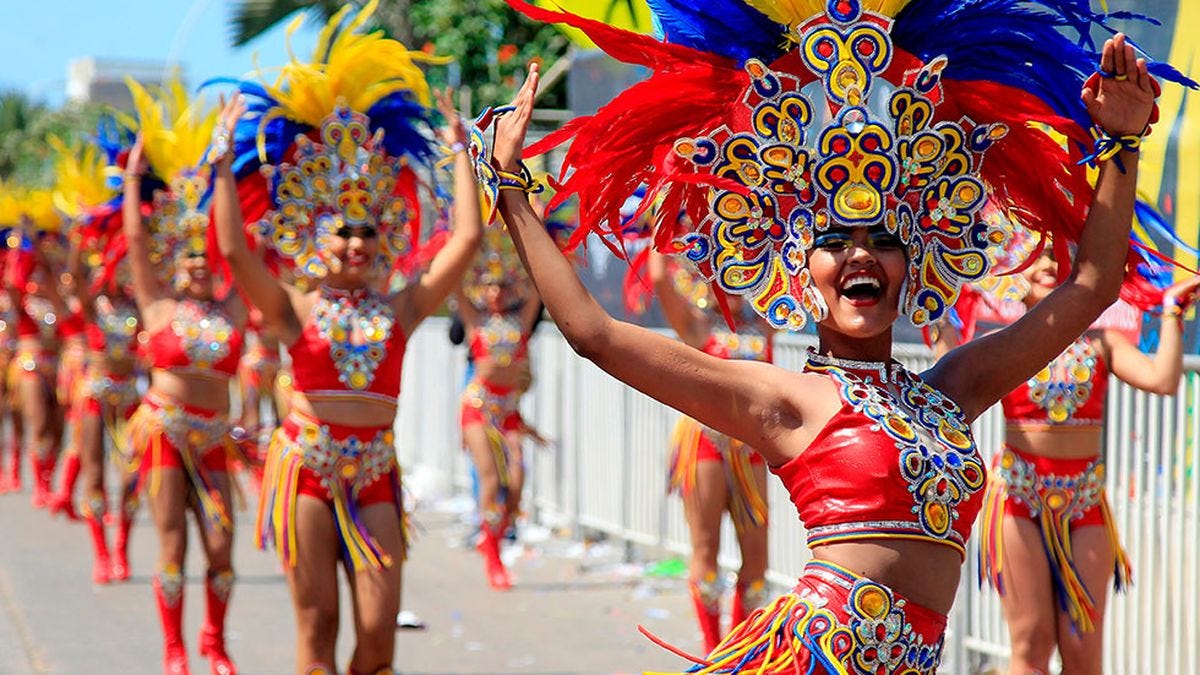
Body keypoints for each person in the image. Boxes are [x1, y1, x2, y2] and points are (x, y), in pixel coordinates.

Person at [472, 0, 1187, 669]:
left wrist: (1121, 143)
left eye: (881, 236)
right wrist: (509, 189)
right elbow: (594, 333)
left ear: (914, 258)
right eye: (834, 239)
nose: (858, 253)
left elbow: (1091, 284)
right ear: (797, 265)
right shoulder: (783, 399)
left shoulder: (954, 390)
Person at [212, 5, 483, 671]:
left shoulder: (403, 306)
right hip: (307, 466)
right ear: (314, 238)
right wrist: (221, 164)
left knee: (377, 634)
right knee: (317, 626)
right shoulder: (292, 309)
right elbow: (234, 251)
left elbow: (469, 240)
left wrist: (460, 158)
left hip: (375, 473)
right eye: (342, 230)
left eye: (367, 230)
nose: (357, 242)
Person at [934, 246, 1200, 674]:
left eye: (1055, 258)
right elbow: (946, 376)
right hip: (1019, 499)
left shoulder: (1101, 344)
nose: (1045, 266)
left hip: (1085, 502)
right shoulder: (999, 347)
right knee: (1031, 643)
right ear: (1013, 277)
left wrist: (1171, 312)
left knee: (1082, 651)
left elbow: (1162, 380)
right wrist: (937, 311)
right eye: (1033, 258)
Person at [122, 79, 246, 675]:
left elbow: (241, 243)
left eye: (206, 257)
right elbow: (136, 239)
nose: (198, 264)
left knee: (221, 547)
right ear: (177, 263)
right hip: (166, 433)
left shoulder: (233, 308)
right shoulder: (157, 308)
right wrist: (130, 183)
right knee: (172, 543)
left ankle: (214, 640)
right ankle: (174, 648)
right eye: (188, 258)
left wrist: (225, 164)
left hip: (215, 435)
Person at [645, 247, 772, 651]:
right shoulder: (699, 326)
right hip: (705, 444)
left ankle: (739, 648)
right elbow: (661, 279)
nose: (734, 280)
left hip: (752, 448)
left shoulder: (765, 324)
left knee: (757, 560)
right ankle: (712, 649)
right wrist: (655, 224)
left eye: (742, 269)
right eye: (725, 272)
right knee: (706, 547)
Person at [455, 229, 542, 590]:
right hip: (478, 408)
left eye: (503, 286)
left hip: (508, 412)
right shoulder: (474, 321)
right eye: (490, 286)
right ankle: (493, 557)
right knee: (491, 480)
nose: (496, 292)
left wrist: (541, 237)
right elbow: (453, 283)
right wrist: (456, 240)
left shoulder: (521, 323)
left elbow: (539, 285)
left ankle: (493, 538)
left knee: (517, 482)